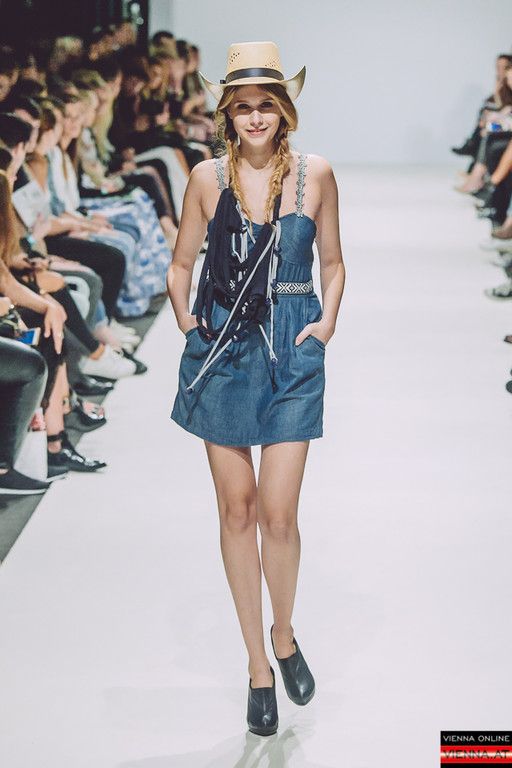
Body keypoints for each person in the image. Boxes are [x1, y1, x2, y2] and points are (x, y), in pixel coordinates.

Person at [166, 42, 346, 736]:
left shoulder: (315, 174)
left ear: (284, 109)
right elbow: (181, 264)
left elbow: (333, 262)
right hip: (224, 352)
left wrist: (325, 325)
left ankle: (284, 632)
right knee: (237, 512)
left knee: (279, 515)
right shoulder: (205, 178)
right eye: (242, 107)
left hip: (293, 353)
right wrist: (189, 324)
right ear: (226, 114)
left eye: (266, 104)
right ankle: (257, 668)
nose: (255, 117)